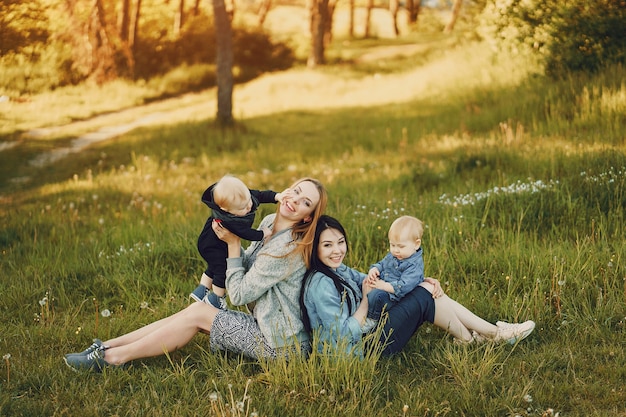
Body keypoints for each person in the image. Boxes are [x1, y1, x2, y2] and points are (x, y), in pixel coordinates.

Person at [64, 177, 328, 372]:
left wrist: (233, 243)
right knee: (195, 310)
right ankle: (106, 347)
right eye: (295, 191)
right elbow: (248, 265)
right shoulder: (269, 223)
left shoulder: (289, 249)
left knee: (198, 313)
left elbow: (237, 294)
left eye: (306, 202)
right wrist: (230, 245)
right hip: (266, 327)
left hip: (281, 346)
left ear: (308, 217)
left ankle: (112, 360)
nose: (295, 200)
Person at [300, 215, 535, 356]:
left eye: (341, 242)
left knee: (427, 289)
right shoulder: (321, 284)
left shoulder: (336, 269)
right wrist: (364, 300)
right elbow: (342, 335)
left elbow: (365, 280)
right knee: (424, 294)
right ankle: (493, 334)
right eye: (328, 245)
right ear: (315, 247)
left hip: (367, 333)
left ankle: (481, 336)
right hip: (360, 350)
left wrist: (421, 280)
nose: (337, 250)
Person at [190, 174, 285, 310]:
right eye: (242, 209)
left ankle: (201, 289)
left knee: (213, 264)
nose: (248, 207)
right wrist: (262, 233)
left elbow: (259, 195)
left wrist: (277, 196)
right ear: (226, 210)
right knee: (221, 269)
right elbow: (246, 233)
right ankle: (217, 298)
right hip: (211, 245)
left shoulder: (242, 198)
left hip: (210, 241)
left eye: (248, 202)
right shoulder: (229, 221)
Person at [362, 215, 425, 332]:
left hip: (399, 299)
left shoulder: (414, 265)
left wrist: (384, 286)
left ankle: (372, 320)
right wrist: (375, 269)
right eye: (392, 245)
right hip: (388, 290)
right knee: (367, 287)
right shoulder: (395, 256)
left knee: (376, 296)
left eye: (401, 246)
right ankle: (366, 312)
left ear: (416, 244)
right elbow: (382, 263)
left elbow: (404, 286)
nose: (396, 250)